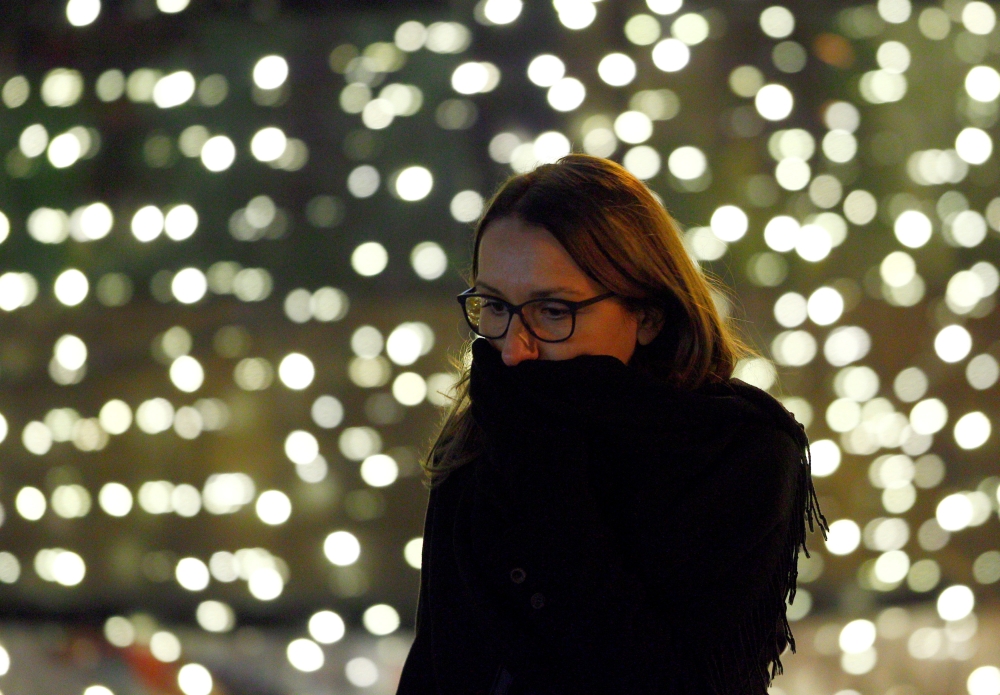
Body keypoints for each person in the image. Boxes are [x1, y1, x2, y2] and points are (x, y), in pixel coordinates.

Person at [396, 154, 827, 695]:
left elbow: (658, 676)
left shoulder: (737, 450)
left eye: (553, 311)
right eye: (494, 306)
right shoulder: (488, 425)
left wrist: (544, 478)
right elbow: (439, 664)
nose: (513, 349)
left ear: (647, 315)